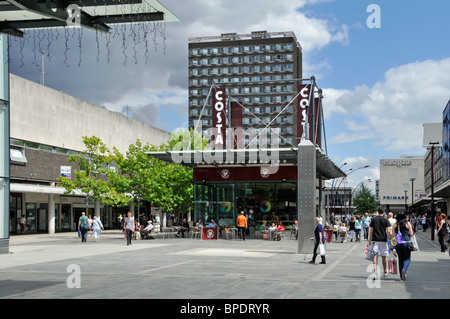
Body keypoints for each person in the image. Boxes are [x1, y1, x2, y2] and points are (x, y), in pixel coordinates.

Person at [369, 208, 392, 278]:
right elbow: (388, 231)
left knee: (375, 256)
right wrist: (391, 239)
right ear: (384, 212)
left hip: (375, 240)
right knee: (383, 256)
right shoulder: (386, 220)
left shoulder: (373, 219)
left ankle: (375, 272)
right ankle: (385, 271)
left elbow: (371, 230)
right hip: (383, 240)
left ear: (377, 212)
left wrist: (369, 239)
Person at [392, 212, 414, 281]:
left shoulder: (395, 225)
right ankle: (404, 270)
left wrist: (392, 247)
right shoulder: (407, 224)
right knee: (407, 258)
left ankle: (401, 276)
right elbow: (411, 233)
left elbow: (393, 236)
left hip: (398, 244)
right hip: (406, 243)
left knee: (400, 259)